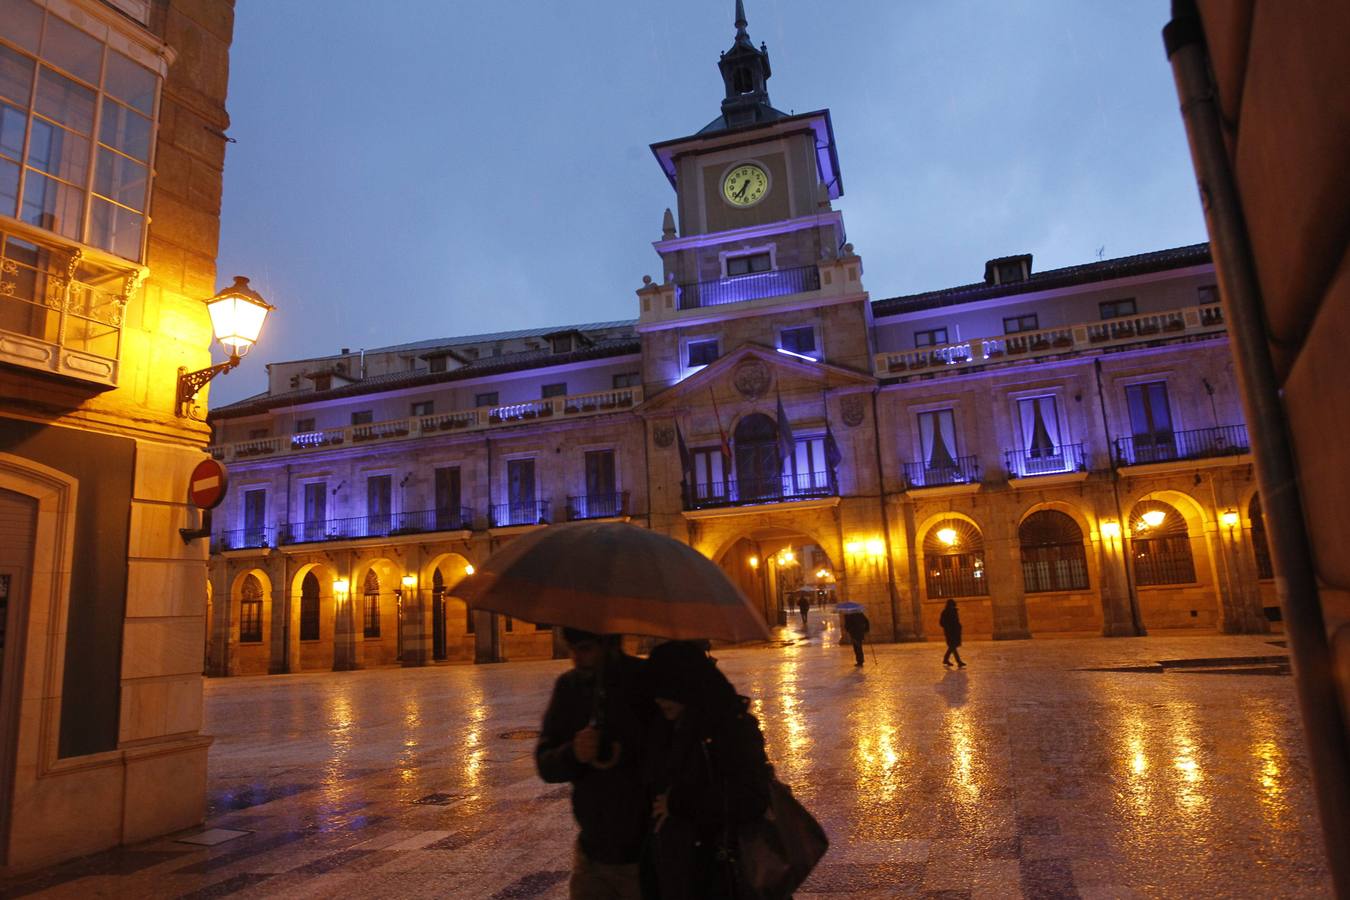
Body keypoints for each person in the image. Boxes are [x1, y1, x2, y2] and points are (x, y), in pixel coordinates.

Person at [642, 640, 772, 900]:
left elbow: (752, 799)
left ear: (688, 683)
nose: (659, 698)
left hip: (722, 875)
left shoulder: (732, 728)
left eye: (667, 689)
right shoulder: (665, 729)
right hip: (677, 872)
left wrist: (679, 804)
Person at [537, 629, 653, 900]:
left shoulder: (644, 681)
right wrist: (573, 754)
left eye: (585, 649)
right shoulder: (569, 687)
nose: (576, 658)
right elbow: (545, 764)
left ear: (608, 644)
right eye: (571, 649)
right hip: (591, 852)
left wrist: (621, 751)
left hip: (644, 855)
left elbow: (666, 753)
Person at [939, 599, 966, 668]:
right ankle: (958, 661)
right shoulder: (950, 612)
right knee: (952, 646)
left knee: (952, 646)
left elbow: (942, 623)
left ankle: (946, 659)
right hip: (952, 632)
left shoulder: (947, 612)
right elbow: (943, 622)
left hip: (952, 632)